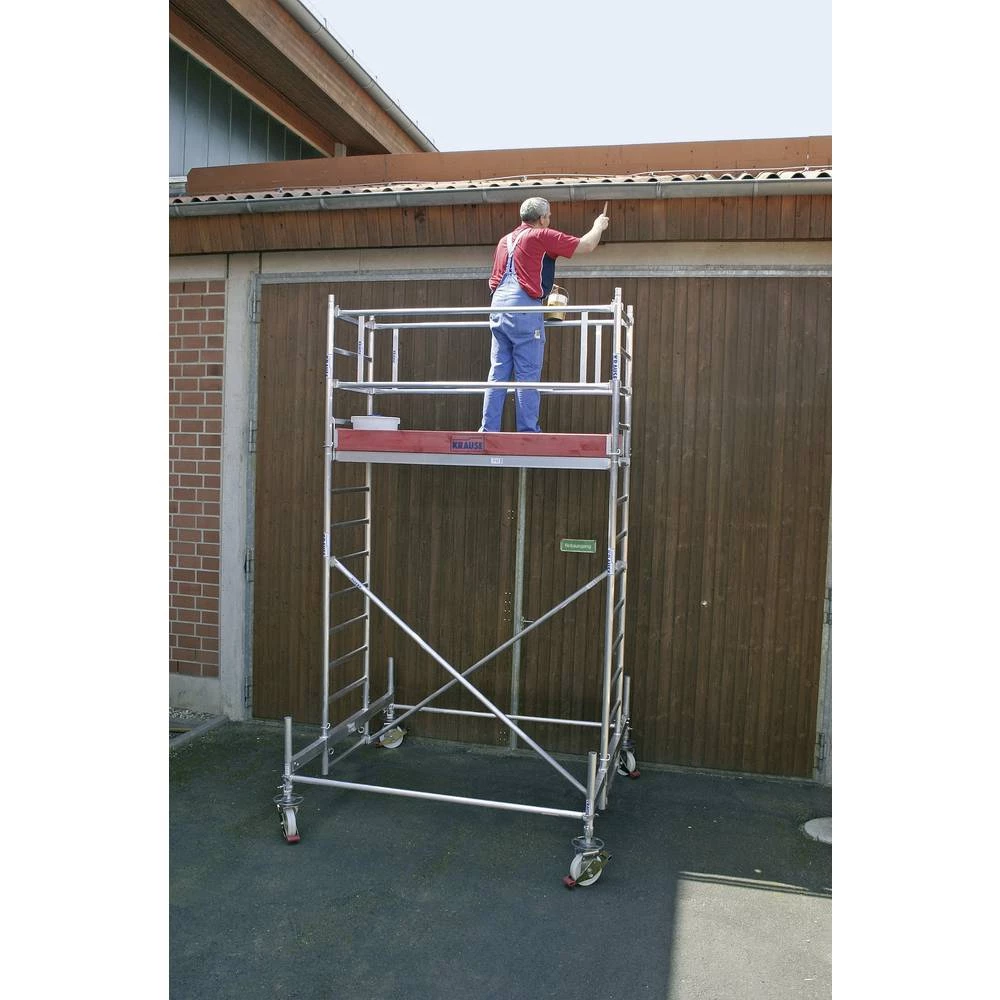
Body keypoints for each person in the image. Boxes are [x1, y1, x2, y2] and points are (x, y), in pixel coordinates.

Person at [479, 197, 610, 433]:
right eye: (548, 216)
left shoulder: (504, 241)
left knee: (497, 372)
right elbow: (586, 245)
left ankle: (488, 430)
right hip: (525, 308)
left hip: (498, 306)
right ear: (541, 219)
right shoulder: (541, 235)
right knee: (527, 374)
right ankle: (528, 432)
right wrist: (598, 226)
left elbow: (512, 273)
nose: (549, 220)